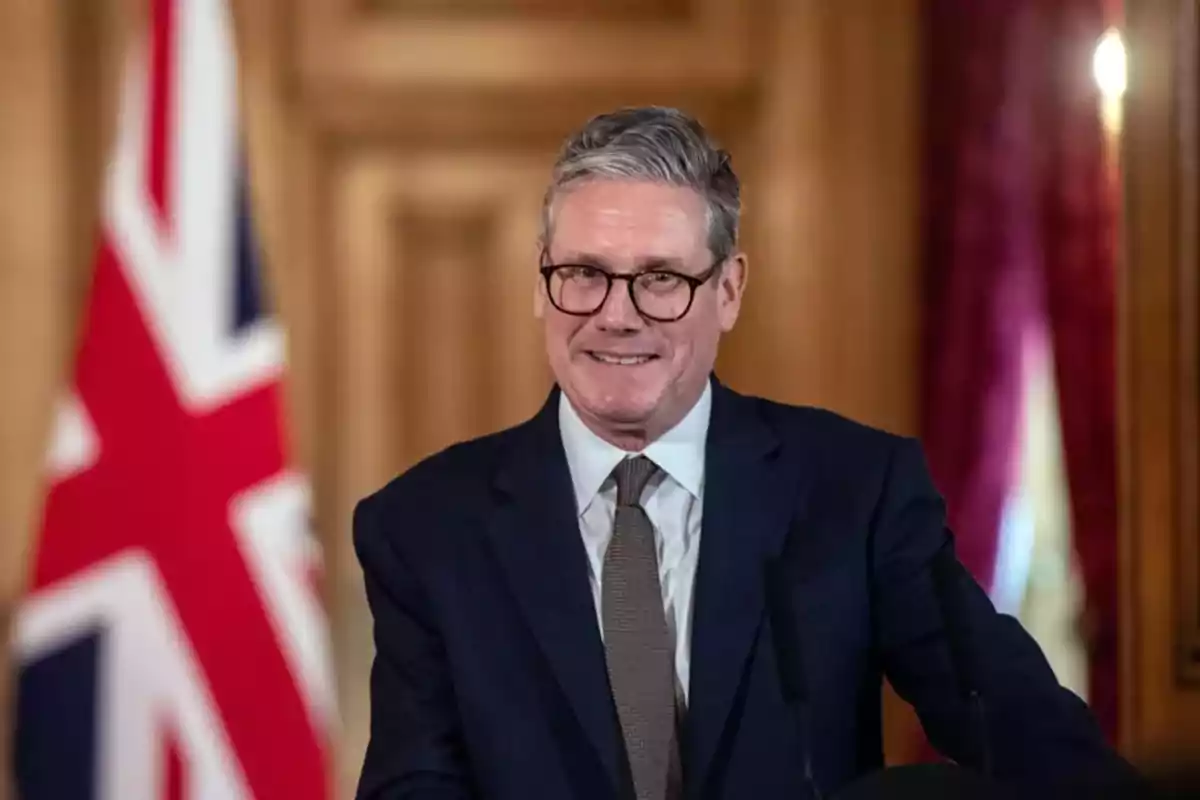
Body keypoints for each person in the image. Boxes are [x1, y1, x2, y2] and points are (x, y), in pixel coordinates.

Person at [352, 106, 1139, 799]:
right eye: (584, 275)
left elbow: (1020, 728)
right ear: (540, 284)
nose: (616, 316)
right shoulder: (426, 529)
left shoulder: (852, 492)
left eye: (660, 279)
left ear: (728, 290)